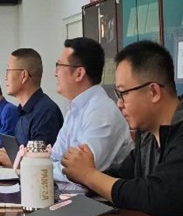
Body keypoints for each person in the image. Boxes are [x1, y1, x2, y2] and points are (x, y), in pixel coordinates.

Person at [62, 41, 183, 216]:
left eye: (123, 93)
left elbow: (155, 196)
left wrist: (88, 175)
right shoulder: (148, 134)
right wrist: (82, 174)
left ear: (153, 92)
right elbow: (123, 176)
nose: (119, 103)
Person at [51, 38, 132, 190]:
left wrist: (44, 169)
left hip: (98, 201)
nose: (55, 73)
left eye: (59, 66)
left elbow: (78, 174)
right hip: (71, 195)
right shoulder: (75, 109)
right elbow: (55, 157)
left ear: (79, 73)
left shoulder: (101, 112)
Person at [0, 48, 64, 168]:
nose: (5, 77)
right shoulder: (23, 111)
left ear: (23, 75)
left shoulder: (45, 112)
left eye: (8, 71)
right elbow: (19, 151)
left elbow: (39, 164)